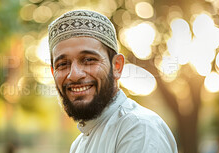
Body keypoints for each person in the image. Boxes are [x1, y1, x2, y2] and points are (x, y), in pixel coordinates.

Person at [48, 10, 178, 153]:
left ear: (117, 66)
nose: (74, 74)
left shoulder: (139, 129)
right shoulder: (78, 145)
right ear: (53, 73)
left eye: (89, 60)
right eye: (62, 64)